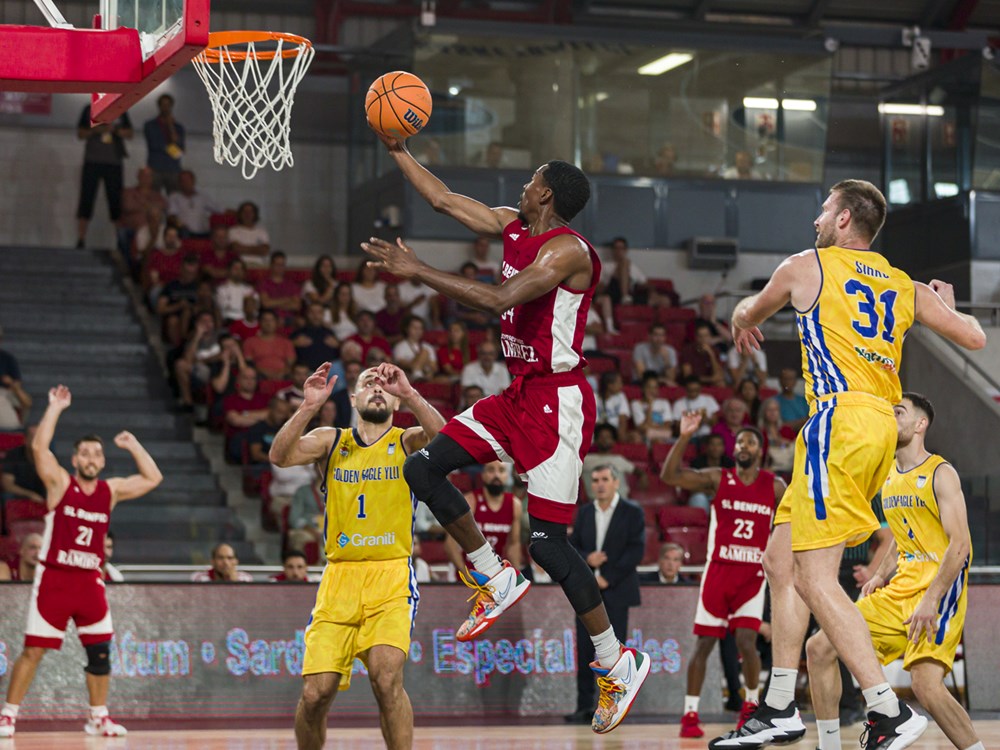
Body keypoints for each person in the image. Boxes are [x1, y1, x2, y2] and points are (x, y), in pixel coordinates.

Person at [361, 139, 650, 734]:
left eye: (531, 178)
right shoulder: (515, 223)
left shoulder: (568, 251)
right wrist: (396, 148)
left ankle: (615, 660)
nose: (523, 184)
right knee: (422, 469)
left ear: (546, 192)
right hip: (518, 393)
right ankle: (493, 574)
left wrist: (417, 270)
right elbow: (443, 200)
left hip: (557, 404)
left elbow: (497, 298)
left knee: (547, 542)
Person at [710, 179, 985, 750]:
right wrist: (947, 306)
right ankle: (780, 702)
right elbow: (976, 338)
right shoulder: (904, 286)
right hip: (880, 425)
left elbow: (744, 309)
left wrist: (740, 318)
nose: (815, 219)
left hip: (838, 421)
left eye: (824, 210)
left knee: (814, 575)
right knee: (780, 556)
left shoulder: (806, 265)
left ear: (841, 221)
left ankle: (888, 709)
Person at [268, 361, 444, 750]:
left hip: (391, 576)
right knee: (315, 693)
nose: (378, 388)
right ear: (354, 397)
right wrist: (308, 406)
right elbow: (279, 457)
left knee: (386, 679)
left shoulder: (406, 440)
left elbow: (449, 441)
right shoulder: (331, 440)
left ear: (393, 401)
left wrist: (411, 394)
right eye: (369, 383)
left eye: (384, 385)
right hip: (339, 579)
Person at [807, 393, 981, 750]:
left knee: (925, 687)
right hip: (898, 589)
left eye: (899, 412)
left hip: (939, 591)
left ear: (921, 424)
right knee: (819, 648)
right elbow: (902, 537)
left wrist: (931, 598)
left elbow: (960, 545)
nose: (891, 416)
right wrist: (879, 574)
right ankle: (829, 745)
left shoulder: (941, 473)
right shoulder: (887, 472)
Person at [0, 385, 162, 739]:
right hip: (55, 579)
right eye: (84, 453)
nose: (90, 458)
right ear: (75, 460)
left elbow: (153, 478)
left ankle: (98, 717)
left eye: (96, 454)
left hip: (90, 581)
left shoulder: (111, 491)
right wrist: (55, 407)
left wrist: (134, 446)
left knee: (100, 652)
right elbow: (39, 448)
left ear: (102, 462)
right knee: (34, 651)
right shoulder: (60, 483)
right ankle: (8, 715)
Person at [662, 412, 783, 739]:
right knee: (704, 644)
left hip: (752, 576)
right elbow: (670, 476)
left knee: (747, 641)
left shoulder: (775, 486)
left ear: (760, 450)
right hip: (718, 572)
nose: (744, 445)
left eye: (751, 441)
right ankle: (689, 714)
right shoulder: (718, 478)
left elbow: (791, 526)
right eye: (740, 441)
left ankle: (751, 707)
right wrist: (685, 435)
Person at [565, 465, 644, 724]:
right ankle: (583, 706)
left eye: (604, 479)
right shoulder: (585, 512)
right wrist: (588, 558)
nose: (599, 484)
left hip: (617, 590)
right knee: (585, 650)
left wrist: (607, 577)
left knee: (614, 654)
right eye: (595, 480)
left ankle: (614, 706)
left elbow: (636, 551)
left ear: (616, 482)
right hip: (586, 592)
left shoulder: (632, 512)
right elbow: (572, 545)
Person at [443, 461, 522, 574]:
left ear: (507, 476)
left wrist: (516, 576)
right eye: (491, 470)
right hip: (466, 573)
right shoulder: (470, 501)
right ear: (483, 475)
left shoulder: (514, 504)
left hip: (495, 574)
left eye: (501, 470)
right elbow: (450, 544)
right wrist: (467, 574)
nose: (496, 475)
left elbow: (514, 545)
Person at [75, 104, 133, 249]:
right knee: (86, 199)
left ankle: (119, 239)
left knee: (116, 201)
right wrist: (98, 129)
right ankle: (81, 239)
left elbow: (130, 133)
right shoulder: (89, 109)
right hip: (92, 161)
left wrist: (116, 130)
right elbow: (81, 134)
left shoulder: (121, 108)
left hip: (114, 163)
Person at [143, 93, 185, 192]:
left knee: (175, 196)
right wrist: (170, 146)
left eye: (168, 105)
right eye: (163, 105)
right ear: (159, 106)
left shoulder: (178, 127)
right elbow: (154, 144)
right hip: (156, 166)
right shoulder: (150, 125)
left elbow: (181, 147)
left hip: (173, 166)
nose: (165, 108)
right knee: (154, 195)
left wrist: (171, 126)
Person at [243, 310, 296, 381]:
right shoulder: (250, 342)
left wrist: (281, 373)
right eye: (265, 320)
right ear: (259, 322)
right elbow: (249, 363)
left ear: (276, 323)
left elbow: (290, 364)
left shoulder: (286, 342)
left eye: (271, 320)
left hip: (282, 377)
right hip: (259, 377)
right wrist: (266, 373)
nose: (268, 323)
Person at [1, 425, 45, 504]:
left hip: (41, 495)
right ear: (25, 440)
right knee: (7, 496)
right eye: (34, 438)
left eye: (40, 438)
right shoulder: (13, 455)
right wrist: (30, 494)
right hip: (19, 494)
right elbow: (7, 485)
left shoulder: (47, 456)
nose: (37, 442)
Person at [167, 170, 218, 238]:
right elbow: (172, 216)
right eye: (183, 180)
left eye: (188, 180)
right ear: (179, 183)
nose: (186, 183)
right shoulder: (174, 197)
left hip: (204, 233)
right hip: (185, 233)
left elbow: (219, 209)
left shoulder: (203, 197)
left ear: (193, 181)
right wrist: (181, 226)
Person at [600, 236, 648, 306]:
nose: (618, 251)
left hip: (631, 293)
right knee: (624, 263)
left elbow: (645, 282)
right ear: (613, 250)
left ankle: (626, 297)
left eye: (621, 248)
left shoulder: (632, 266)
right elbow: (599, 286)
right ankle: (625, 296)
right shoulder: (605, 266)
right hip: (612, 292)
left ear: (625, 250)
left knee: (664, 300)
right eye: (616, 248)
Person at [257, 251, 302, 323]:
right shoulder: (264, 283)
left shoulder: (292, 284)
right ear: (271, 265)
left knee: (300, 322)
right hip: (270, 318)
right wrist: (287, 299)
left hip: (289, 318)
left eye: (282, 265)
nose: (280, 268)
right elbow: (266, 304)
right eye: (277, 265)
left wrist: (274, 303)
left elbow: (296, 306)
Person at [672, 376, 720, 440]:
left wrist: (705, 420)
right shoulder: (679, 403)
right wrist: (694, 422)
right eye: (690, 390)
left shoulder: (709, 399)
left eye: (696, 390)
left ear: (700, 388)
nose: (693, 393)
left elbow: (715, 421)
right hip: (688, 438)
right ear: (685, 389)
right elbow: (677, 426)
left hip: (707, 436)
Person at [392, 315, 438, 381]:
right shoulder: (399, 346)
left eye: (420, 328)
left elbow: (435, 367)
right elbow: (402, 364)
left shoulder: (428, 347)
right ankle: (417, 375)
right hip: (406, 377)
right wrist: (423, 359)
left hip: (427, 376)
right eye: (415, 328)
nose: (418, 331)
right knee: (424, 353)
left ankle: (417, 375)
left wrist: (418, 361)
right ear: (406, 329)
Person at [680, 323, 726, 387]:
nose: (703, 339)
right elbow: (687, 376)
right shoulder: (687, 350)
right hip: (693, 383)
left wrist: (711, 355)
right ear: (696, 337)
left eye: (706, 336)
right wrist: (711, 379)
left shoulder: (715, 351)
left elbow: (719, 375)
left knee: (721, 384)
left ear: (710, 337)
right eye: (700, 336)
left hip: (709, 382)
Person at [775, 367, 809, 432]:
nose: (788, 382)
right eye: (785, 379)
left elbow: (810, 421)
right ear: (780, 381)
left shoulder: (804, 400)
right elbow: (778, 426)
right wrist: (801, 422)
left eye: (790, 379)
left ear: (795, 381)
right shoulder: (774, 401)